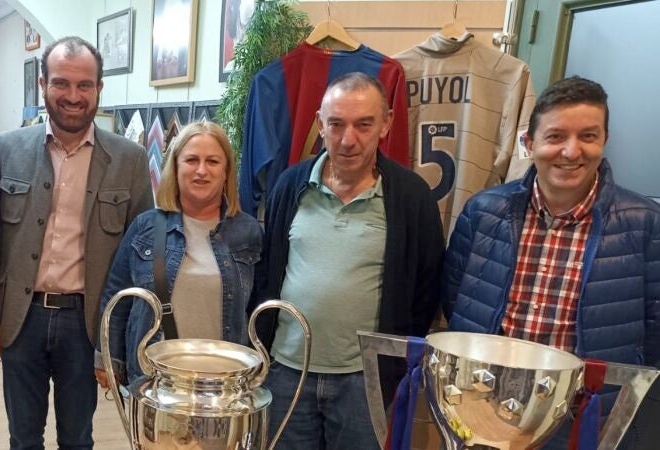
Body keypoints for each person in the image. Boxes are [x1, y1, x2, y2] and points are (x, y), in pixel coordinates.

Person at [441, 76, 660, 449]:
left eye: (588, 136)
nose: (572, 151)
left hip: (582, 417)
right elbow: (454, 297)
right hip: (485, 406)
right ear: (529, 143)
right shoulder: (484, 212)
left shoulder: (644, 224)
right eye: (556, 136)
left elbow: (655, 330)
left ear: (604, 140)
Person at [0, 36, 153, 449]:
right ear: (43, 85)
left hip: (87, 325)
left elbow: (140, 259)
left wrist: (118, 342)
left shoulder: (129, 160)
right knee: (23, 437)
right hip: (21, 319)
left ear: (99, 88)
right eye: (61, 83)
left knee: (77, 438)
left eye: (84, 85)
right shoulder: (8, 149)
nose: (73, 96)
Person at [250, 72, 444, 449]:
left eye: (363, 125)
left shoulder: (411, 197)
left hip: (365, 380)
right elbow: (268, 270)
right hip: (288, 371)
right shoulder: (290, 186)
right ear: (320, 125)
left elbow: (427, 285)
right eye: (336, 124)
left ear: (386, 124)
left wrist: (393, 361)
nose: (348, 139)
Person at [95, 121, 262, 387]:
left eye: (213, 161)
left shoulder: (248, 232)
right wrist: (109, 359)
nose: (201, 171)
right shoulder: (145, 227)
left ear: (226, 171)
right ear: (175, 167)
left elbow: (260, 309)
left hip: (224, 385)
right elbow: (117, 296)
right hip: (156, 382)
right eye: (191, 160)